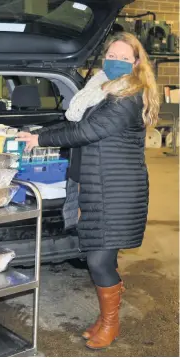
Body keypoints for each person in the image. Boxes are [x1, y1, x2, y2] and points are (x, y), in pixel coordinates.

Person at [17, 32, 159, 350]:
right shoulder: (101, 90)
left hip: (118, 190)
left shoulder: (129, 96)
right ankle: (106, 316)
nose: (116, 61)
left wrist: (40, 140)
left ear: (137, 64)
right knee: (101, 257)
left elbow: (87, 130)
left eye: (125, 58)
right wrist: (39, 131)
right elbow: (75, 122)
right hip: (100, 185)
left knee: (98, 261)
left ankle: (111, 322)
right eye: (112, 55)